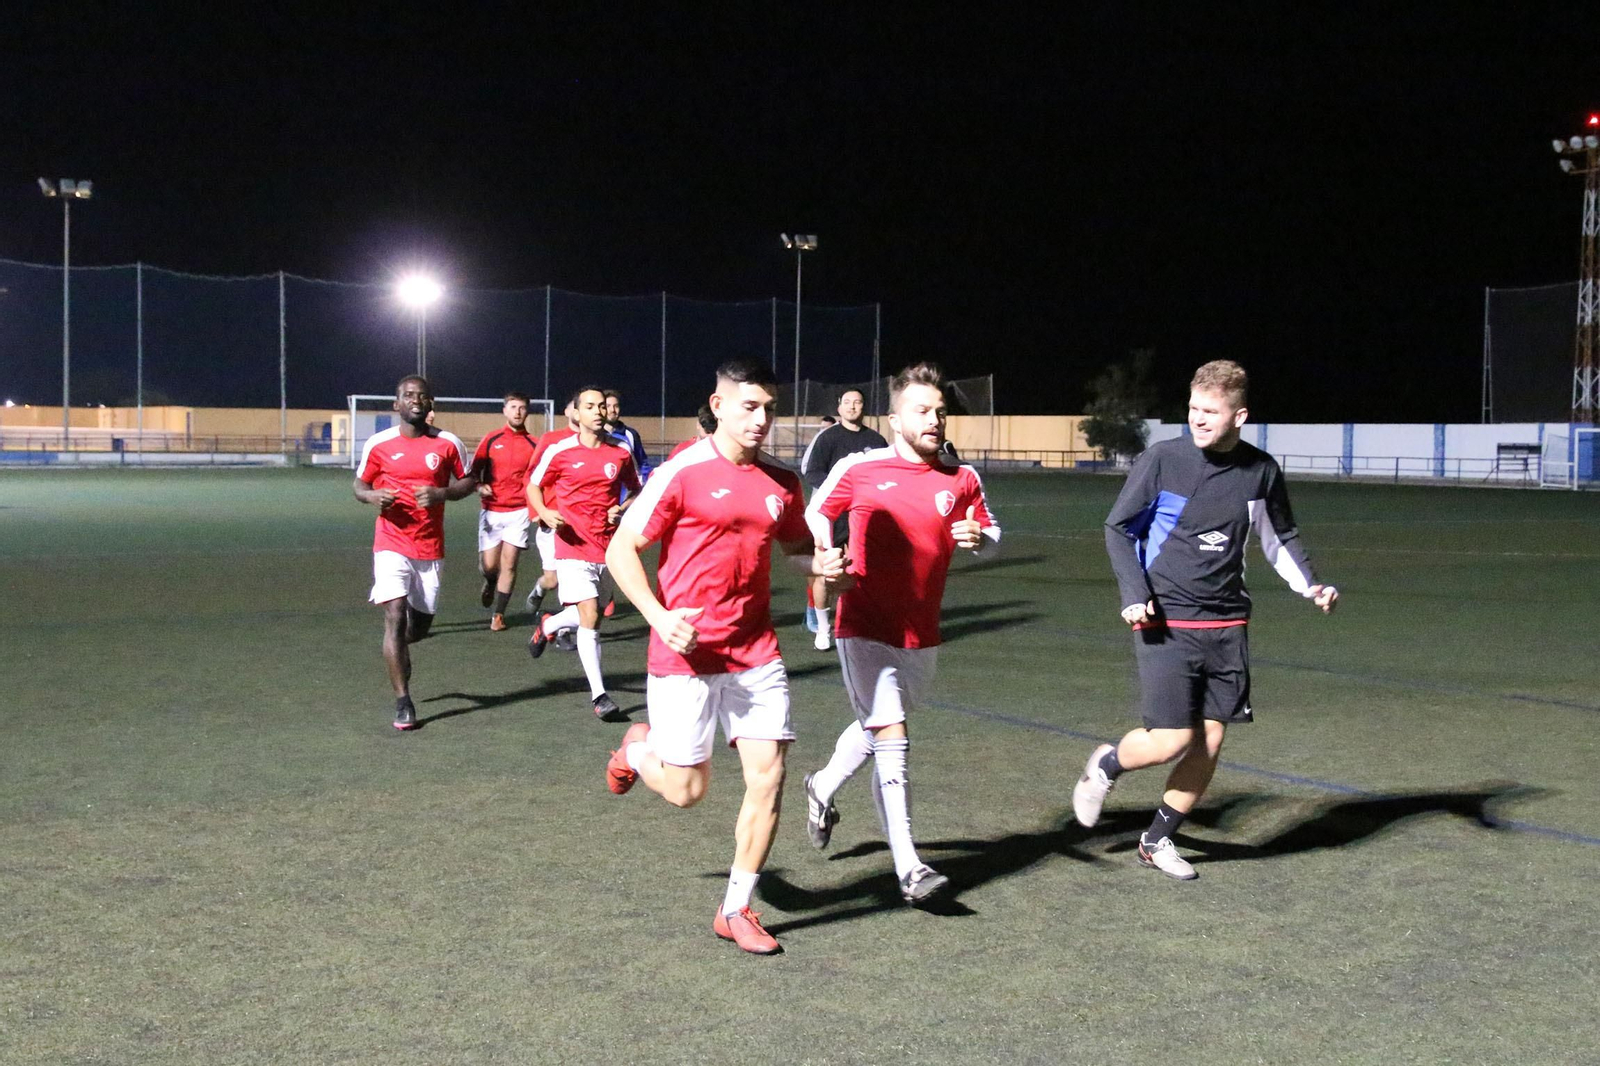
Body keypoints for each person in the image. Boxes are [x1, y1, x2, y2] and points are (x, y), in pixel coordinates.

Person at [603, 357, 847, 955]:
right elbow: (620, 550)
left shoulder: (782, 482)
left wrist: (821, 567)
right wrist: (660, 617)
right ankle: (637, 747)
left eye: (769, 407)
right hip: (684, 654)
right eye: (749, 406)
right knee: (688, 792)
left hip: (755, 652)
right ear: (718, 406)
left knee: (770, 778)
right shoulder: (681, 473)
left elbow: (792, 551)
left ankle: (736, 909)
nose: (762, 419)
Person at [1072, 360, 1339, 879]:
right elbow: (1118, 529)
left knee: (1211, 741)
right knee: (1171, 739)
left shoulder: (1261, 471)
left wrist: (1312, 585)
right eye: (1193, 408)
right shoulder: (1163, 460)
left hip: (1227, 624)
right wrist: (1134, 592)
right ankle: (1107, 765)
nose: (1197, 419)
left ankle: (1156, 840)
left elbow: (1279, 536)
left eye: (1210, 412)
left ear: (1240, 415)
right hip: (1164, 618)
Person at [801, 363, 1001, 904]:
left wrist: (980, 537)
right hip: (862, 623)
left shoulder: (961, 478)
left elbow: (992, 527)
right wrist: (825, 553)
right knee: (893, 738)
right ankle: (910, 867)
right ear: (894, 419)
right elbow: (817, 512)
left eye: (940, 410)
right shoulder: (861, 467)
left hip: (923, 631)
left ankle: (820, 785)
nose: (935, 419)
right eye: (922, 410)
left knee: (877, 727)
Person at [352, 376, 476, 730]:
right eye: (408, 396)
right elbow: (359, 485)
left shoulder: (449, 443)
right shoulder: (379, 444)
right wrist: (372, 497)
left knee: (416, 630)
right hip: (391, 542)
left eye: (421, 396)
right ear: (397, 405)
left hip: (430, 547)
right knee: (393, 615)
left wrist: (441, 495)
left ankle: (402, 650)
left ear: (430, 403)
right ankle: (403, 701)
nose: (415, 400)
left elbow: (467, 482)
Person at [527, 387, 642, 721]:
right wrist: (545, 513)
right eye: (589, 406)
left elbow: (637, 489)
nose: (597, 410)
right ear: (576, 413)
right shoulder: (560, 450)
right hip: (570, 544)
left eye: (601, 406)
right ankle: (600, 695)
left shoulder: (621, 451)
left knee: (591, 615)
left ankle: (549, 624)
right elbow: (534, 484)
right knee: (590, 614)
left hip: (607, 546)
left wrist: (621, 509)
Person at [798, 388, 888, 651]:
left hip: (863, 516)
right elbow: (812, 472)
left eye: (857, 402)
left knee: (863, 572)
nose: (852, 407)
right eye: (847, 402)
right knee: (826, 573)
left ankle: (856, 624)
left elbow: (883, 477)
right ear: (839, 407)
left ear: (864, 406)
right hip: (832, 516)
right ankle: (823, 628)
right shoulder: (827, 438)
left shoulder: (877, 440)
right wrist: (839, 494)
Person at [471, 392, 537, 631]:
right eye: (513, 407)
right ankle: (490, 580)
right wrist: (480, 486)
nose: (518, 411)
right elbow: (473, 472)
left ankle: (498, 615)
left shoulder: (534, 444)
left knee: (509, 565)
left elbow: (539, 479)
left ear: (527, 411)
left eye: (522, 407)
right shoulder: (491, 439)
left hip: (519, 511)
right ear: (505, 410)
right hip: (491, 511)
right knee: (490, 566)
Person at [524, 396, 581, 616]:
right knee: (553, 579)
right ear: (568, 412)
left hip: (581, 525)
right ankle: (541, 588)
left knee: (575, 581)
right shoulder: (551, 440)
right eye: (574, 407)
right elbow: (531, 477)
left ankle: (562, 631)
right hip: (553, 521)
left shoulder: (597, 443)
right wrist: (536, 511)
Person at [602, 390, 653, 487]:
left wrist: (644, 487)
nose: (612, 410)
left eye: (616, 406)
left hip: (628, 497)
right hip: (602, 496)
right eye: (608, 406)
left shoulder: (630, 434)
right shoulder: (594, 435)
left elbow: (642, 464)